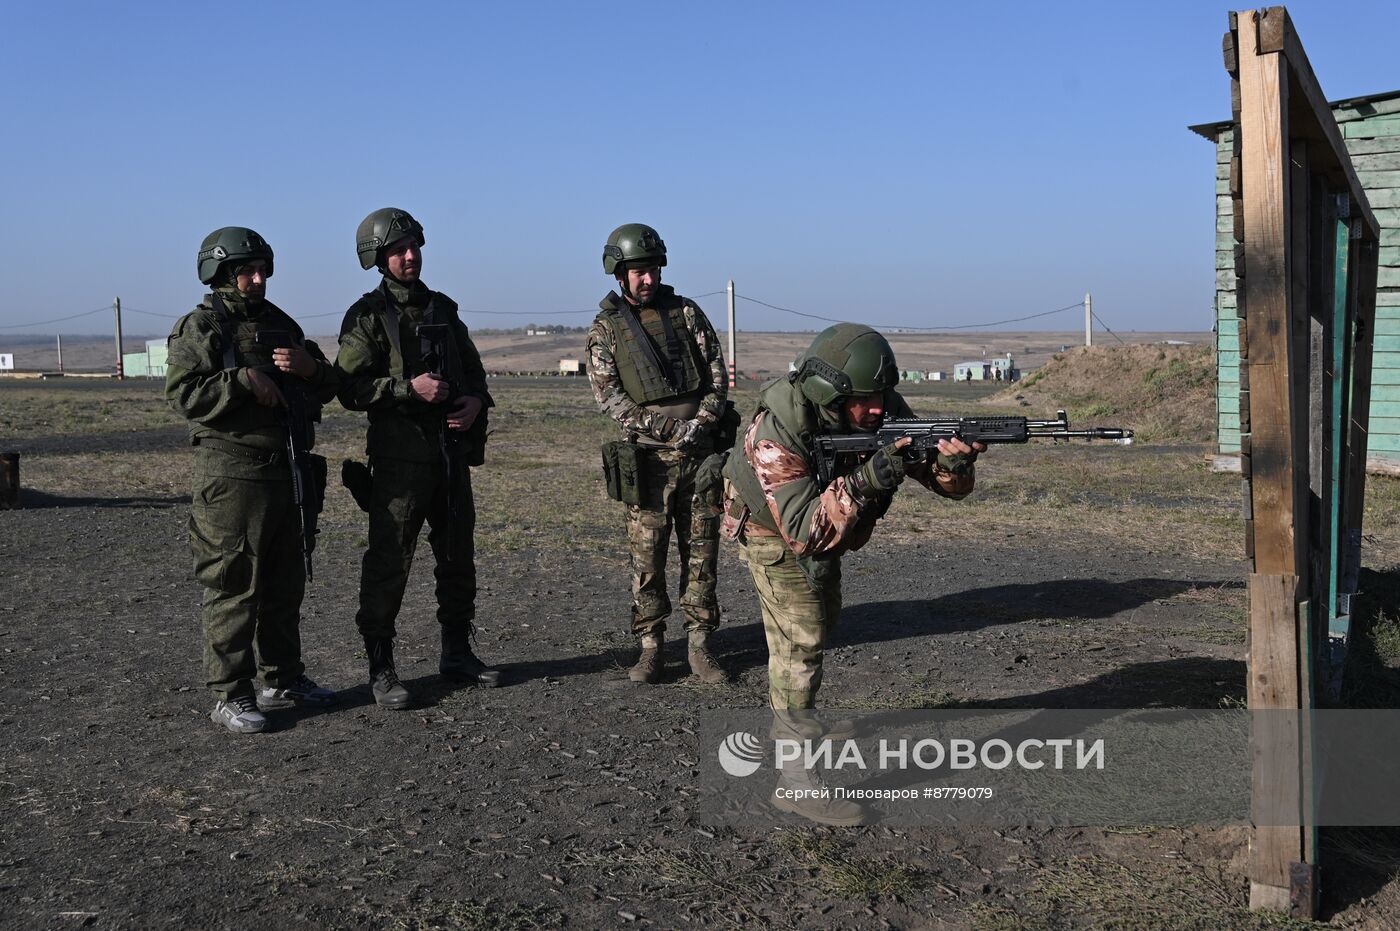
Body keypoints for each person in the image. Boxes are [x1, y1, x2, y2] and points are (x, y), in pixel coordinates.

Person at [721, 323, 986, 823]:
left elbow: (944, 485)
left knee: (824, 620)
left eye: (883, 396)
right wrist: (868, 478)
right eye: (865, 401)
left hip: (824, 526)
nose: (879, 410)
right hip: (772, 531)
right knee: (800, 644)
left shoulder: (884, 407)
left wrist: (954, 465)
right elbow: (803, 531)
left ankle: (807, 717)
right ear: (831, 394)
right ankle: (795, 780)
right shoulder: (774, 431)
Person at [166, 226, 338, 734]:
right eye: (247, 272)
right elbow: (182, 393)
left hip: (287, 467)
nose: (258, 280)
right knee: (234, 584)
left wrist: (309, 368)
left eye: (263, 270)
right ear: (221, 273)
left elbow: (328, 384)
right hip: (232, 472)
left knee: (286, 581)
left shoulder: (280, 323)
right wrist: (240, 380)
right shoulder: (202, 327)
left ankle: (283, 678)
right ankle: (230, 694)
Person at [335, 208, 499, 710]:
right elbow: (349, 388)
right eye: (398, 250)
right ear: (378, 258)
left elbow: (474, 375)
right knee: (390, 563)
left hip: (449, 454)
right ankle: (381, 667)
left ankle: (457, 652)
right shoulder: (366, 317)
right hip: (399, 461)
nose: (410, 257)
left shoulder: (444, 309)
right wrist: (409, 389)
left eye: (414, 247)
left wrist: (475, 403)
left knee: (457, 557)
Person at [586, 223, 729, 684]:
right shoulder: (605, 330)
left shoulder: (687, 313)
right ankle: (650, 648)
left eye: (651, 270)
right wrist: (667, 428)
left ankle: (701, 646)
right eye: (637, 272)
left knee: (702, 553)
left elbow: (717, 376)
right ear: (619, 273)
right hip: (648, 461)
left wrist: (700, 423)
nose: (646, 279)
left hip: (700, 456)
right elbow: (611, 398)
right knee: (647, 559)